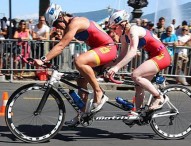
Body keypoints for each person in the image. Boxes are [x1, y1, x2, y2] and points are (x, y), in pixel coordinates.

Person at [34, 3, 117, 126]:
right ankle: (82, 115)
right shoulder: (69, 26)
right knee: (81, 81)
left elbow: (61, 46)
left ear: (61, 17)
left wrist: (43, 59)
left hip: (108, 49)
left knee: (79, 61)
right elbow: (60, 44)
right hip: (99, 50)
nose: (57, 28)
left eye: (56, 24)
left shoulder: (76, 22)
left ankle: (98, 92)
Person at [107, 10, 171, 110]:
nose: (114, 31)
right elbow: (122, 55)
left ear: (123, 24)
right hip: (153, 56)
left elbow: (132, 51)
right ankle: (138, 112)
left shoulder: (134, 30)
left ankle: (159, 97)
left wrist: (116, 68)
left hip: (162, 55)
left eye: (115, 27)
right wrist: (108, 67)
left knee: (135, 75)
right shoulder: (123, 36)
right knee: (139, 86)